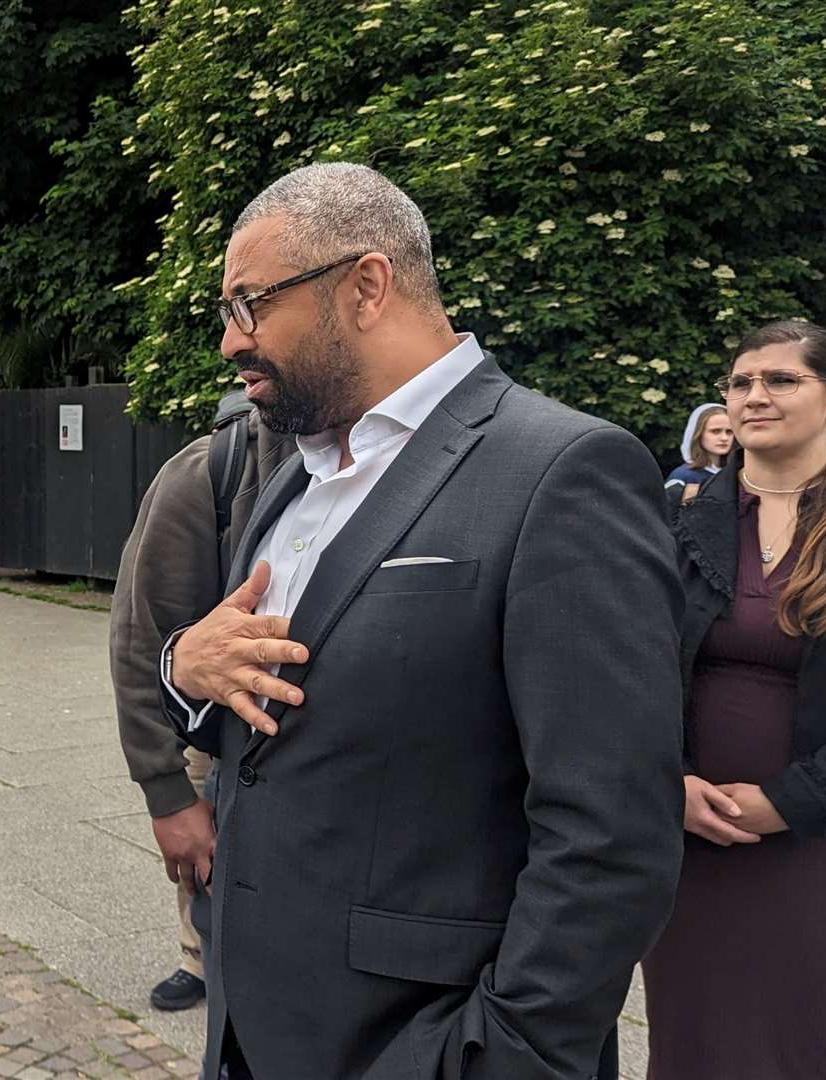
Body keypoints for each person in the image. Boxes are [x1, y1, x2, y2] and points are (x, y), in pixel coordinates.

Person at [158, 162, 684, 1080]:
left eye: (250, 305)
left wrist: (498, 1055)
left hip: (426, 1041)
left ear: (366, 285)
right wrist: (183, 669)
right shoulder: (297, 476)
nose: (230, 343)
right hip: (256, 1031)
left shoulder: (564, 471)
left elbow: (612, 837)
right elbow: (274, 705)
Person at [643, 320, 826, 1079]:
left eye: (781, 380)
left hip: (824, 847)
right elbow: (633, 671)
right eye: (741, 382)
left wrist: (794, 798)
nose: (755, 396)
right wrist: (673, 779)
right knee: (687, 1052)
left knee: (803, 1056)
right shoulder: (675, 523)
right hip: (688, 847)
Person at [111, 394, 293, 1012]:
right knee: (203, 865)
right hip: (215, 739)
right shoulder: (209, 472)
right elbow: (138, 637)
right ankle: (197, 956)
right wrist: (166, 794)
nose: (236, 340)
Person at [664, 402, 732, 498]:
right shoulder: (683, 477)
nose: (724, 438)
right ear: (698, 434)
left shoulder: (736, 474)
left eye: (729, 432)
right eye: (715, 431)